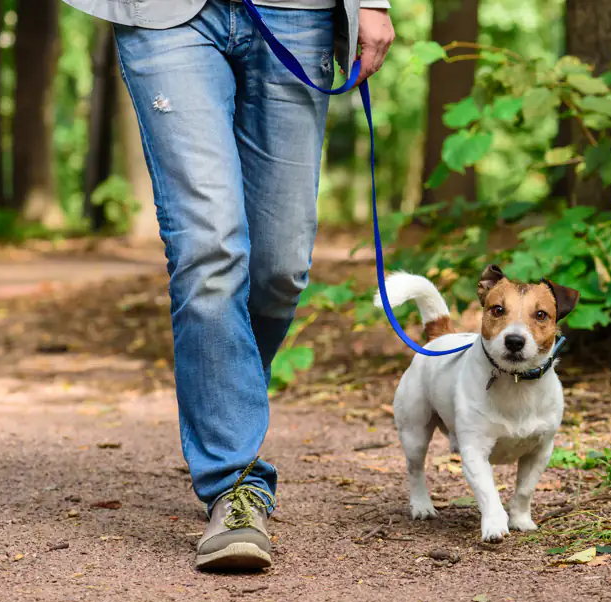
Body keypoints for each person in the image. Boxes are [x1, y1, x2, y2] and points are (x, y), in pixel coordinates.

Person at [61, 0, 395, 571]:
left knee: (279, 270)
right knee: (209, 247)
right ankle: (235, 483)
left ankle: (226, 399)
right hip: (164, 15)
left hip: (297, 12)